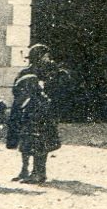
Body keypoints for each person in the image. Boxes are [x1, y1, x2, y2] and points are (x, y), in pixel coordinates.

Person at [7, 44, 64, 184]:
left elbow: (57, 90)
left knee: (41, 142)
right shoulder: (24, 72)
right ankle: (24, 170)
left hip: (43, 113)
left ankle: (39, 172)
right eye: (45, 56)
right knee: (25, 142)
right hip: (26, 113)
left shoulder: (51, 73)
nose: (47, 59)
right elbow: (16, 90)